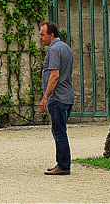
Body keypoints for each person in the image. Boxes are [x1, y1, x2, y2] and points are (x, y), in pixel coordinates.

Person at [39, 21, 73, 176]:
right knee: (61, 132)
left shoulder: (54, 50)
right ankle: (61, 163)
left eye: (42, 34)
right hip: (67, 96)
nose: (40, 37)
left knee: (59, 133)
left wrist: (45, 97)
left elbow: (54, 76)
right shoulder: (65, 47)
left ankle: (64, 166)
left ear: (51, 35)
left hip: (57, 97)